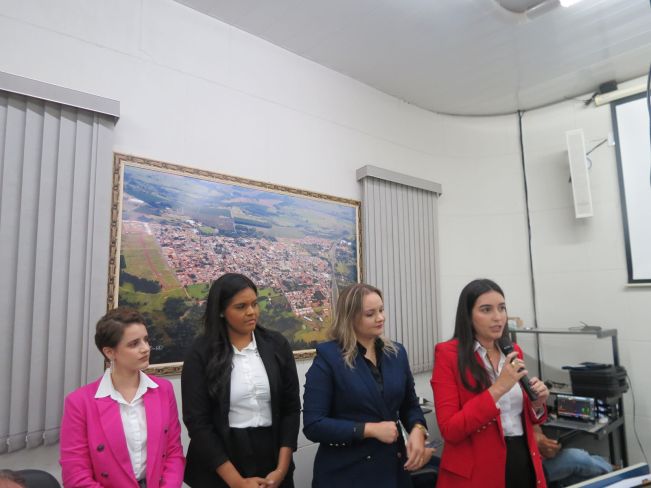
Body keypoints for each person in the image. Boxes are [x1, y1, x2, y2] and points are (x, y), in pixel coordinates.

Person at [303, 283, 429, 487]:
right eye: (370, 314)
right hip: (348, 473)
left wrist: (417, 428)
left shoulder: (396, 353)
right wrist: (368, 429)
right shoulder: (329, 357)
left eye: (381, 310)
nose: (380, 318)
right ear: (350, 318)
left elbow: (410, 405)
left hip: (392, 468)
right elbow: (314, 425)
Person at [181, 273, 301, 488]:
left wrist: (281, 470)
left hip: (272, 455)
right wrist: (237, 482)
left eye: (255, 303)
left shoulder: (277, 344)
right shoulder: (201, 353)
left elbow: (290, 409)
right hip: (221, 462)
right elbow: (197, 422)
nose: (251, 312)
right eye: (241, 306)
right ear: (220, 311)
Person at [431, 279, 550, 488]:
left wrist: (537, 403)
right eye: (486, 310)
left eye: (502, 308)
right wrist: (498, 388)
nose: (498, 317)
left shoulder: (512, 350)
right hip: (477, 470)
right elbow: (450, 430)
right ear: (468, 316)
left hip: (522, 458)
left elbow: (520, 415)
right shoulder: (448, 354)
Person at [60, 308, 185, 488]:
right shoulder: (79, 402)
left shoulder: (163, 390)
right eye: (134, 344)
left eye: (146, 340)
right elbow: (75, 475)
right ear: (110, 352)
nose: (145, 348)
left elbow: (173, 452)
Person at [534, 425, 613, 487]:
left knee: (587, 478)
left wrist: (544, 442)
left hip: (539, 458)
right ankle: (611, 470)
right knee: (576, 458)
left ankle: (609, 470)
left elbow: (535, 426)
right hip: (530, 470)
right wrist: (534, 441)